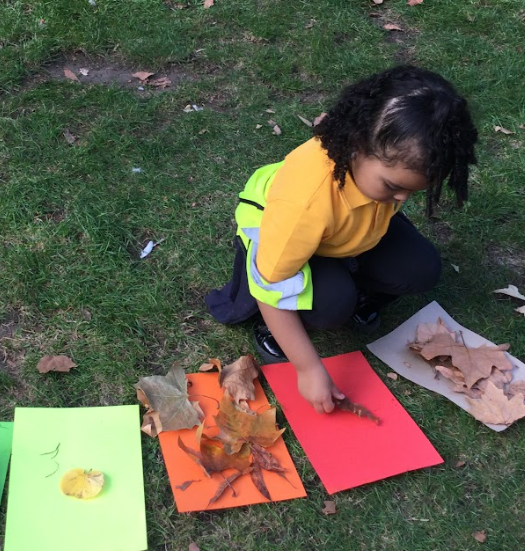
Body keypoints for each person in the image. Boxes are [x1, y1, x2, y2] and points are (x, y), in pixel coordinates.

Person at [205, 65, 478, 415]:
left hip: (343, 232)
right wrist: (308, 368)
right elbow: (270, 287)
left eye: (414, 191)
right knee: (333, 305)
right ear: (356, 146)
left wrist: (383, 198)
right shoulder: (303, 205)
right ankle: (277, 332)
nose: (402, 199)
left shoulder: (376, 172)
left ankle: (350, 283)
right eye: (393, 187)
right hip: (288, 238)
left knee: (421, 268)